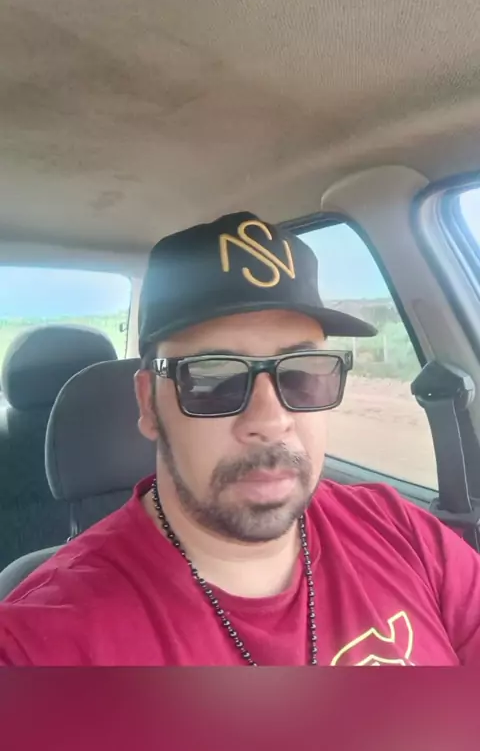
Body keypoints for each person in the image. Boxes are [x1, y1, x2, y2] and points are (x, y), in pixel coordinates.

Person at [1, 211, 480, 667]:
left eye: (302, 373)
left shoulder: (402, 532)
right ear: (149, 404)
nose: (271, 420)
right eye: (213, 378)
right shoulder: (45, 640)